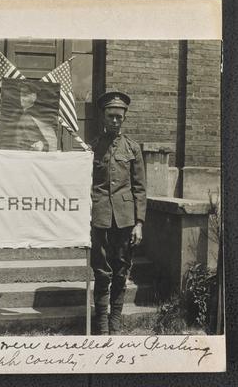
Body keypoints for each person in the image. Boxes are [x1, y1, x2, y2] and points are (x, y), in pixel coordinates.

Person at [91, 91, 147, 335]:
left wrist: (139, 223)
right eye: (110, 116)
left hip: (125, 220)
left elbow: (140, 189)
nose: (114, 121)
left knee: (122, 271)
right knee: (102, 272)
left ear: (124, 118)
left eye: (119, 117)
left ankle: (115, 323)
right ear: (103, 117)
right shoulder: (93, 147)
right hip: (100, 218)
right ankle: (101, 324)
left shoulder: (132, 148)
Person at [12, 81, 57, 151]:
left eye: (25, 95)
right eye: (21, 95)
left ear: (34, 97)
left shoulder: (28, 117)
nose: (22, 98)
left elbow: (37, 143)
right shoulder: (23, 114)